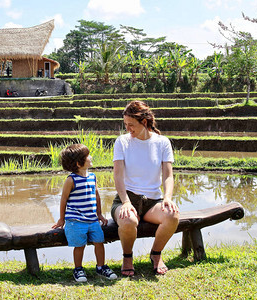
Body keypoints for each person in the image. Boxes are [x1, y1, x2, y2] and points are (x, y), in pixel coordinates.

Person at [111, 100, 179, 277]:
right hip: (127, 199)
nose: (128, 129)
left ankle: (156, 254)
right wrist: (125, 202)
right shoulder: (122, 142)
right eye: (125, 124)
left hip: (153, 202)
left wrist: (167, 198)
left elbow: (168, 176)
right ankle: (127, 257)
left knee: (172, 215)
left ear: (144, 122)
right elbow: (118, 176)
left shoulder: (162, 142)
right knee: (128, 220)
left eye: (131, 125)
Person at [52, 144, 117, 282]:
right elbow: (63, 200)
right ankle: (78, 269)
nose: (91, 157)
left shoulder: (92, 177)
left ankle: (101, 267)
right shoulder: (71, 180)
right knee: (79, 245)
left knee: (99, 242)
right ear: (78, 163)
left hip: (92, 219)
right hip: (76, 220)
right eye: (87, 156)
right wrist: (61, 219)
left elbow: (97, 195)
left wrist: (99, 214)